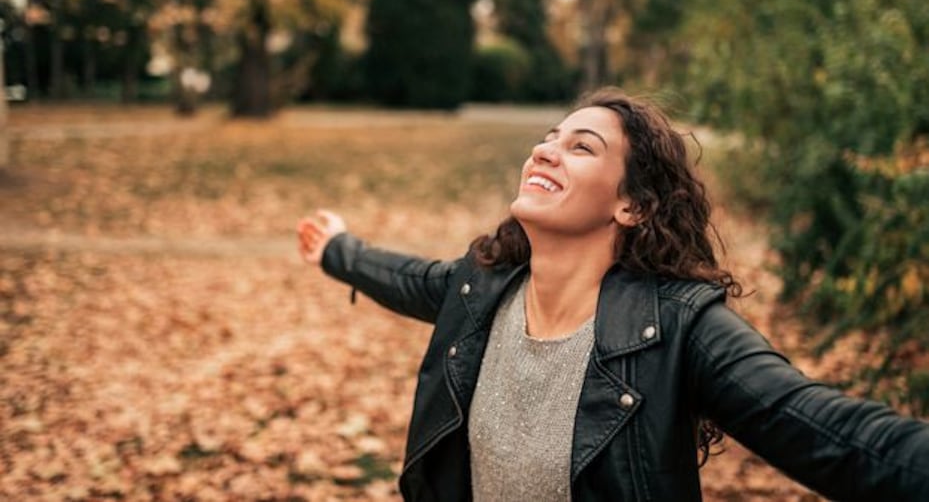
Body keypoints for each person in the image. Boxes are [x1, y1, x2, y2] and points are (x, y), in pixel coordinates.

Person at [296, 88, 929, 501]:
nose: (545, 151)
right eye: (549, 137)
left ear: (631, 204)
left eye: (581, 147)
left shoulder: (678, 327)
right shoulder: (482, 287)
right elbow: (408, 279)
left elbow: (826, 431)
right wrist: (337, 249)